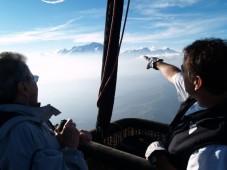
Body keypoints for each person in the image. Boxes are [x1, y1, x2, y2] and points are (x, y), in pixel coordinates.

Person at [144, 38, 227, 170]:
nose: (181, 74)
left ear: (197, 82)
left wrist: (159, 158)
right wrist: (156, 63)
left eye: (184, 70)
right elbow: (172, 74)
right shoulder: (200, 95)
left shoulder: (212, 151)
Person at [0, 52, 92, 170]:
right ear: (23, 87)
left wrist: (60, 141)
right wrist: (70, 149)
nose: (36, 84)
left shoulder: (14, 123)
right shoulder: (20, 132)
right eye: (34, 79)